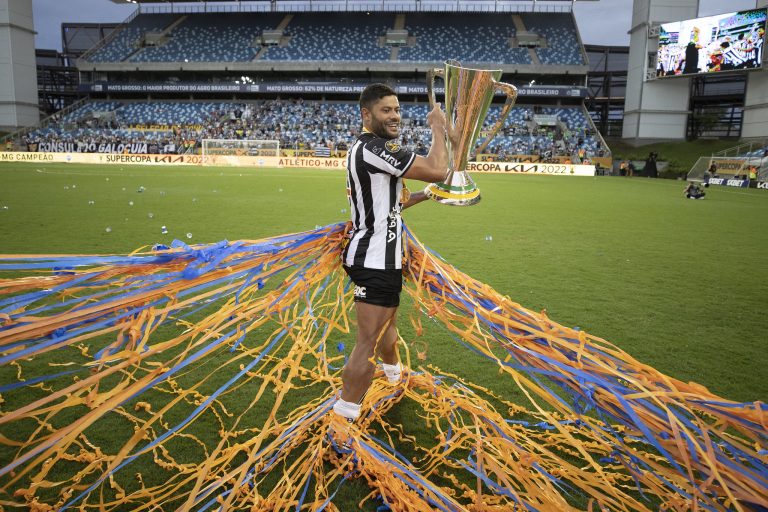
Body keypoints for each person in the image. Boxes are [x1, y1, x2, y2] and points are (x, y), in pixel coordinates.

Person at [332, 83, 450, 425]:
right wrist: (438, 130)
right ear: (367, 114)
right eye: (387, 110)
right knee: (367, 341)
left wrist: (426, 194)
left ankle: (395, 378)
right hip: (374, 261)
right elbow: (438, 168)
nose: (395, 115)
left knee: (386, 328)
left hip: (378, 259)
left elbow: (392, 205)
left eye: (397, 109)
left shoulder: (370, 149)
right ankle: (344, 418)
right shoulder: (375, 147)